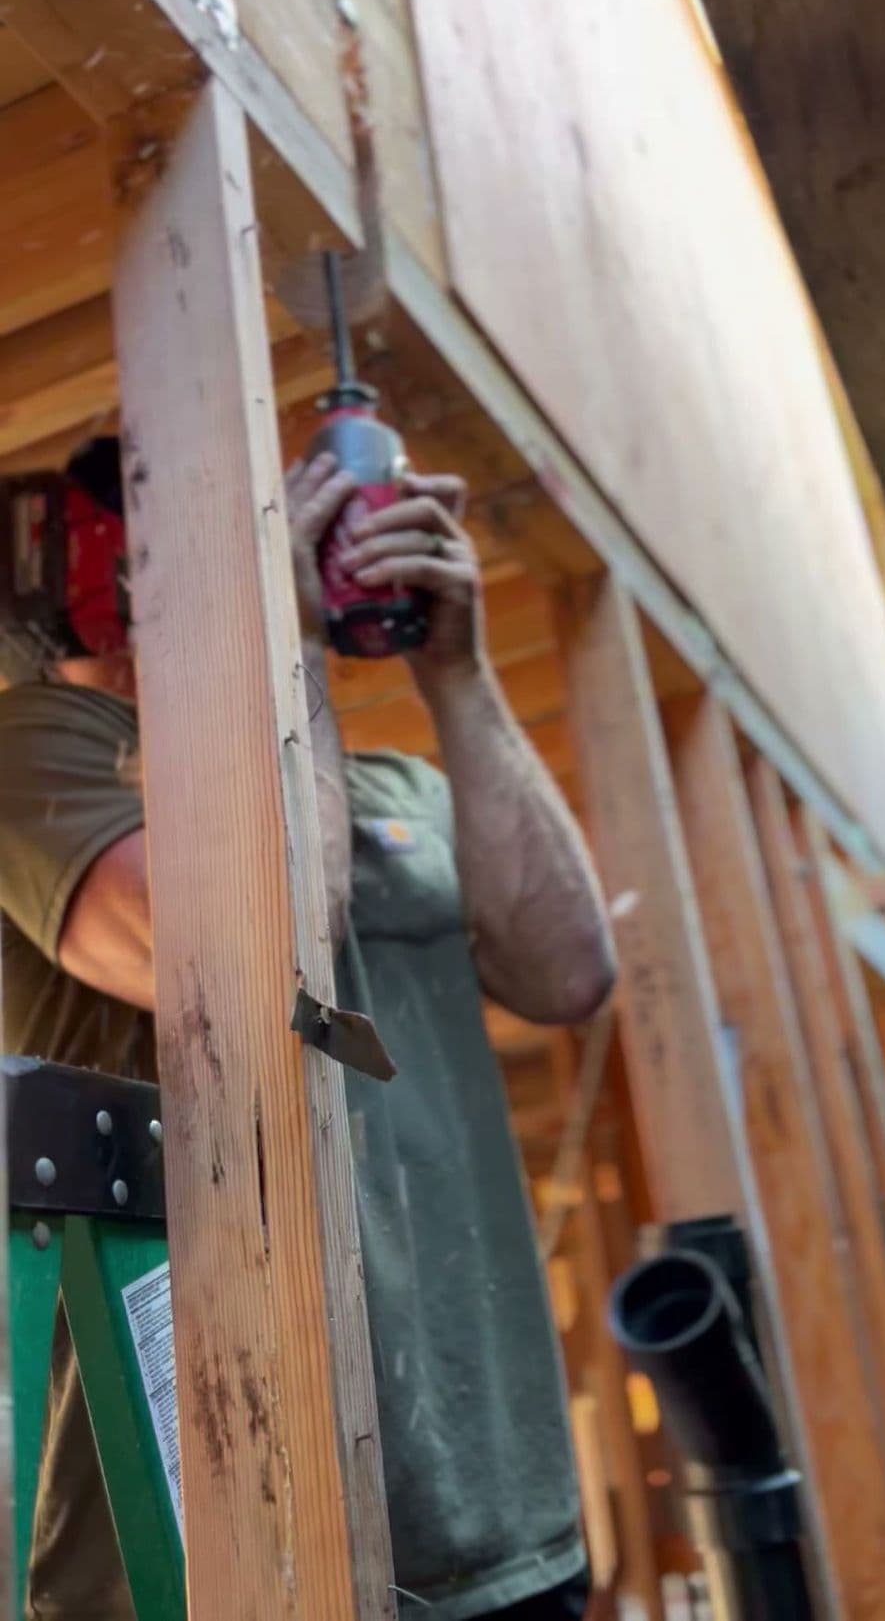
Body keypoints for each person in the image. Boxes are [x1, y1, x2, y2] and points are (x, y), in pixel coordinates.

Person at [0, 441, 618, 1621]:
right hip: (216, 1539)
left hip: (494, 1517)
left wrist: (460, 674)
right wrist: (265, 644)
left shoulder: (396, 788)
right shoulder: (38, 747)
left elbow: (569, 971)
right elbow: (252, 953)